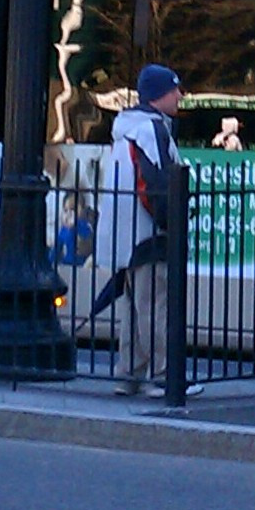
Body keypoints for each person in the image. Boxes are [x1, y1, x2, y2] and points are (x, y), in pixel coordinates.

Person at [99, 64, 189, 398]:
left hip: (127, 235)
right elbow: (157, 186)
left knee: (134, 306)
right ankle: (163, 375)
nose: (179, 95)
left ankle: (130, 374)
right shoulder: (153, 130)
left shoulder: (127, 128)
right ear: (158, 95)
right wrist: (173, 222)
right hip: (150, 235)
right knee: (155, 305)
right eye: (174, 89)